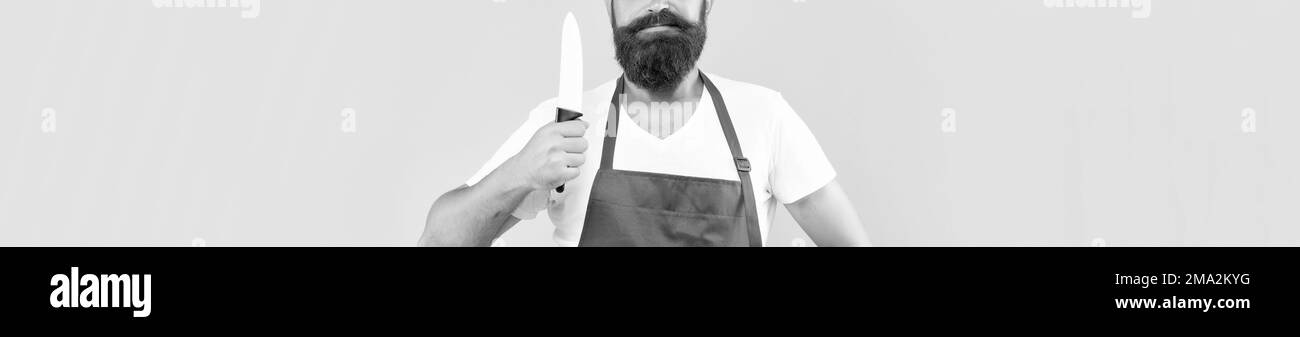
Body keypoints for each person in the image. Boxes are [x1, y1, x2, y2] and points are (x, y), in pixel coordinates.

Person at [420, 0, 869, 247]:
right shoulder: (563, 124)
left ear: (706, 3)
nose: (657, 4)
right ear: (610, 7)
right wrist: (517, 174)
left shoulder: (764, 118)